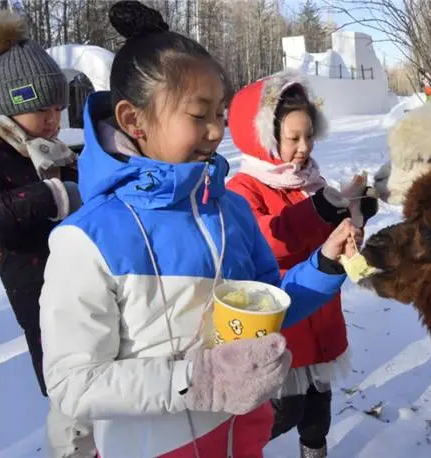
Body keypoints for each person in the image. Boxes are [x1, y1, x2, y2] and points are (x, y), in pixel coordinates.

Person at [38, 2, 359, 457]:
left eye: (221, 114)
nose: (215, 132)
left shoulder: (229, 211)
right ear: (134, 120)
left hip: (244, 438)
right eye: (199, 114)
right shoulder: (87, 240)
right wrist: (199, 381)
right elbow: (74, 383)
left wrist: (326, 263)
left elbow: (268, 308)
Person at [227, 71, 378, 458]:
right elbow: (270, 238)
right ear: (264, 138)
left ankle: (315, 451)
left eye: (309, 135)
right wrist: (325, 208)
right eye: (293, 138)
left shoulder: (310, 181)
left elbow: (323, 240)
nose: (304, 147)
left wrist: (355, 220)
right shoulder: (243, 189)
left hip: (322, 316)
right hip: (287, 321)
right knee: (284, 410)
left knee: (318, 409)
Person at [0, 10, 95, 457]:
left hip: (83, 284)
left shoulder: (55, 150)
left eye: (59, 107)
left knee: (98, 375)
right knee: (67, 389)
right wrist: (51, 195)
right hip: (35, 292)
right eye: (42, 109)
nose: (55, 119)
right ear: (10, 107)